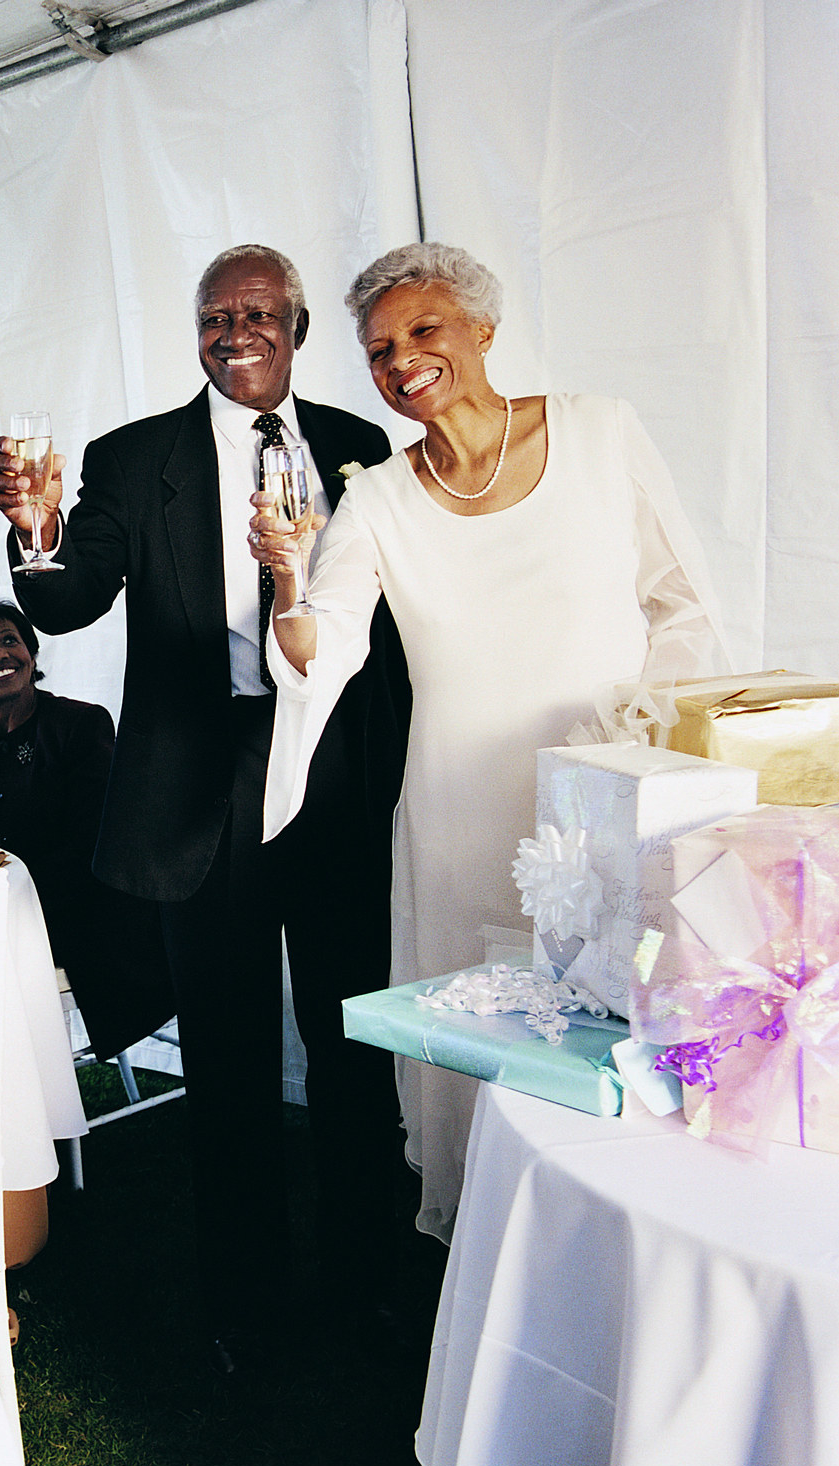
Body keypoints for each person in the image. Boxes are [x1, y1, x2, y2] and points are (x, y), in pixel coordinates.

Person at [0, 244, 414, 1367]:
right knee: (226, 1061)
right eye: (216, 315)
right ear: (197, 333)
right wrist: (36, 527)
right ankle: (246, 1305)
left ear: (298, 327)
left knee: (351, 1045)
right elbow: (71, 600)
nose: (237, 330)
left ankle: (369, 1274)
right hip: (199, 793)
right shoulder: (135, 458)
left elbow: (395, 629)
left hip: (327, 772)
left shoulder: (360, 449)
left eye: (260, 312)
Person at [254, 241, 727, 1240]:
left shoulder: (600, 433)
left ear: (484, 329)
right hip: (460, 822)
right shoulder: (376, 497)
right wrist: (289, 578)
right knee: (485, 1046)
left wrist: (639, 740)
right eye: (380, 349)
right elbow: (314, 651)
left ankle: (636, 1244)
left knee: (623, 1027)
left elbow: (684, 604)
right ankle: (500, 1254)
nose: (402, 360)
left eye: (423, 330)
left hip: (605, 800)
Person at [0, 600, 174, 1060]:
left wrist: (8, 890)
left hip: (73, 907)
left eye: (10, 641)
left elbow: (97, 840)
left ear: (31, 653)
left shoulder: (79, 725)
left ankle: (6, 1067)